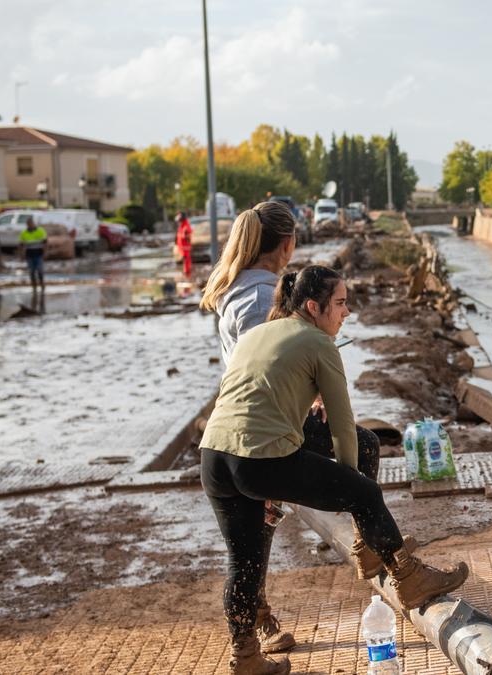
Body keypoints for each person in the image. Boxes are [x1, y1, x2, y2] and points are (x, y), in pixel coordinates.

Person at [201, 265, 469, 674]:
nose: (347, 312)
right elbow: (343, 428)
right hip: (260, 457)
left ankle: (245, 656)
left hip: (214, 457)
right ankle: (408, 576)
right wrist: (352, 490)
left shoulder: (257, 334)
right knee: (366, 492)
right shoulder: (319, 342)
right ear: (314, 306)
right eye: (341, 303)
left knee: (244, 562)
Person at [199, 201, 383, 656]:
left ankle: (253, 631)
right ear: (287, 243)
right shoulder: (263, 296)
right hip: (267, 426)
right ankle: (369, 544)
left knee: (248, 540)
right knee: (362, 447)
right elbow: (267, 368)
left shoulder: (235, 287)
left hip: (229, 432)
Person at [17, 217, 47, 309]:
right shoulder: (24, 233)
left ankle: (42, 285)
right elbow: (21, 244)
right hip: (29, 255)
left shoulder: (40, 231)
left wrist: (45, 252)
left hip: (38, 254)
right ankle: (34, 287)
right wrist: (21, 255)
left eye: (31, 223)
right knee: (32, 271)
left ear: (33, 223)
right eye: (28, 224)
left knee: (40, 270)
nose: (30, 225)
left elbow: (45, 242)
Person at [176, 212, 193, 278]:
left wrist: (184, 236)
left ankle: (187, 275)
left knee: (186, 261)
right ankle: (186, 273)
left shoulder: (186, 226)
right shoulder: (182, 225)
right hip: (183, 247)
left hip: (185, 248)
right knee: (185, 261)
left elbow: (187, 236)